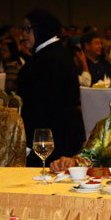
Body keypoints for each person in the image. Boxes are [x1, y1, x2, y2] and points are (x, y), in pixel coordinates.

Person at [16, 9, 86, 167]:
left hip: (53, 136)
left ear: (42, 28)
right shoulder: (56, 53)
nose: (23, 35)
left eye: (28, 28)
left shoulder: (49, 59)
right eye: (23, 29)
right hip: (62, 131)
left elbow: (40, 105)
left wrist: (29, 143)